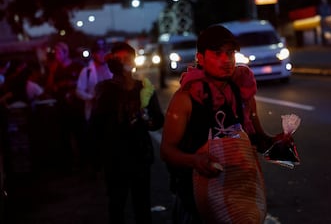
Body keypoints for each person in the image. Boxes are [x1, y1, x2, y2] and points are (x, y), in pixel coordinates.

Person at [160, 25, 276, 223]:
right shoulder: (185, 98)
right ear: (200, 58)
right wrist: (195, 161)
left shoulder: (243, 94)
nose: (226, 60)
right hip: (194, 197)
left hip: (239, 194)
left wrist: (278, 144)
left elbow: (257, 141)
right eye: (217, 53)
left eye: (230, 53)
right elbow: (167, 150)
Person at [89, 42, 164, 224]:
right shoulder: (104, 89)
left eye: (127, 58)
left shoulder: (144, 88)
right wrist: (96, 159)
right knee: (117, 205)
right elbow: (95, 125)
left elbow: (158, 121)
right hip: (115, 158)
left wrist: (147, 119)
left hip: (140, 155)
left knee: (142, 206)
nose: (123, 62)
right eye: (118, 59)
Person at [45, 41, 85, 171]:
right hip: (62, 108)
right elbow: (50, 87)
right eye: (55, 52)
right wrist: (52, 71)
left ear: (65, 53)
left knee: (80, 135)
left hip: (76, 107)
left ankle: (84, 162)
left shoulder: (76, 66)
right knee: (64, 137)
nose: (56, 55)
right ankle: (69, 164)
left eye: (59, 52)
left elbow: (83, 83)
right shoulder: (55, 68)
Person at [76, 40, 112, 174]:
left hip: (110, 111)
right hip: (94, 112)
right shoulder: (87, 71)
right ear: (94, 54)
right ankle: (96, 167)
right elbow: (79, 91)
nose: (101, 54)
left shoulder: (111, 68)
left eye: (103, 51)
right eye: (98, 51)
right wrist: (91, 97)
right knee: (95, 141)